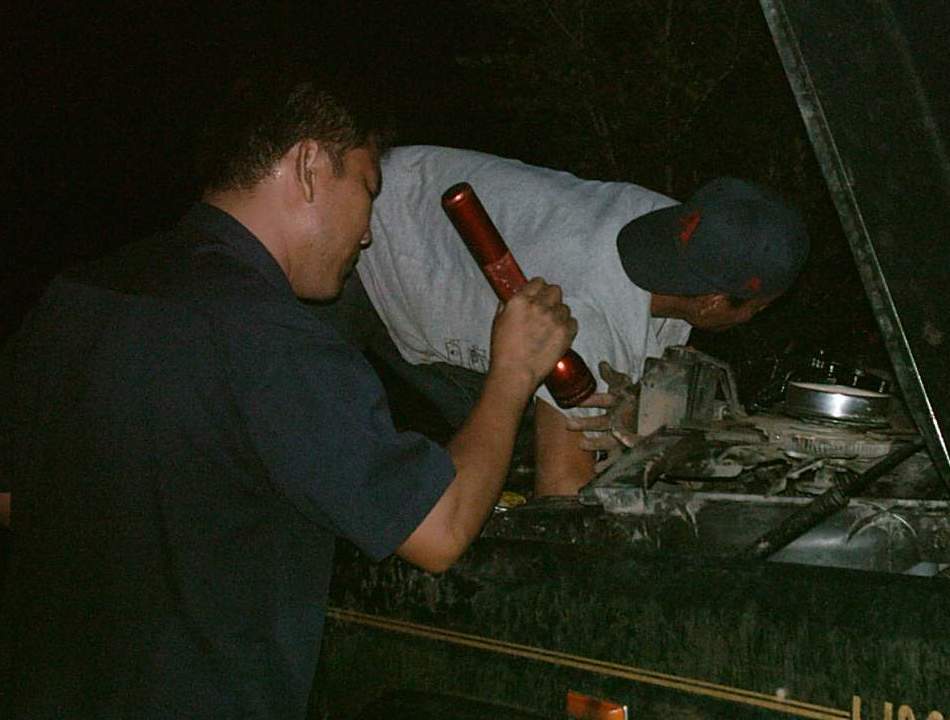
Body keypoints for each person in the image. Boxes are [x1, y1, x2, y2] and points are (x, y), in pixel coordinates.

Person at [0, 76, 577, 719]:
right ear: (309, 167)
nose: (366, 234)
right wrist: (511, 374)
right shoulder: (273, 336)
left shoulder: (80, 294)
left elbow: (14, 499)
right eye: (367, 190)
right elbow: (438, 530)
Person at [335, 145, 809, 496]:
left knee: (507, 431)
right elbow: (561, 492)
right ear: (711, 303)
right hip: (363, 233)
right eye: (758, 307)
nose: (757, 318)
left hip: (418, 198)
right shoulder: (586, 322)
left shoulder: (675, 229)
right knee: (334, 447)